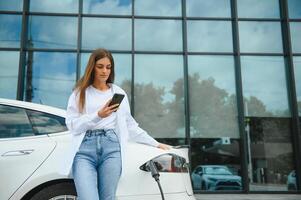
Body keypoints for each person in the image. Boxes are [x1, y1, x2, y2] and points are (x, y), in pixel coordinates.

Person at [65, 48, 171, 200]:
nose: (105, 71)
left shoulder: (117, 92)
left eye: (108, 67)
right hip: (84, 151)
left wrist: (155, 143)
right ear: (92, 67)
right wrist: (97, 115)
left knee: (108, 198)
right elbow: (72, 125)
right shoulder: (80, 93)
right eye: (100, 66)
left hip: (111, 149)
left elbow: (130, 125)